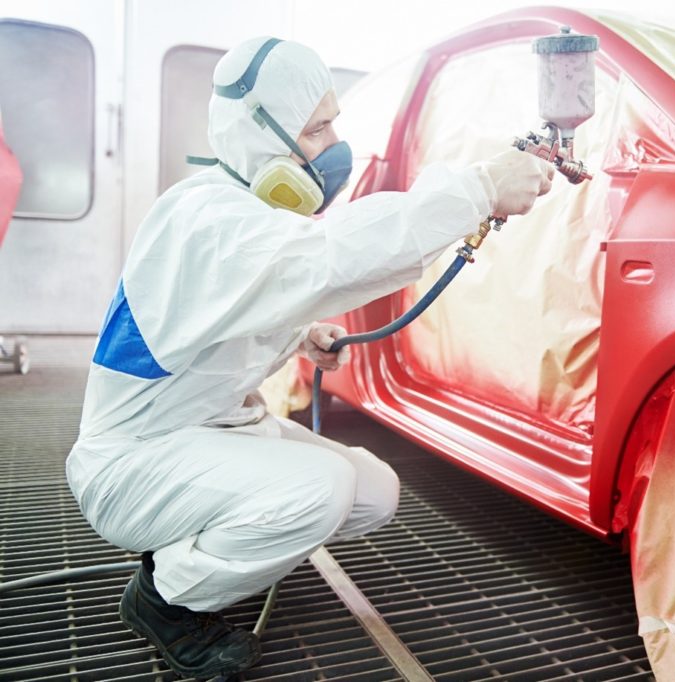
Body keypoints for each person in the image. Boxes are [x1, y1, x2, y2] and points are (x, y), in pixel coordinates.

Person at [65, 36, 553, 679]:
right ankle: (166, 599)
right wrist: (479, 189)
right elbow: (329, 259)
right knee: (318, 491)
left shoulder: (243, 215)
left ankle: (208, 550)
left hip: (201, 436)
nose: (333, 146)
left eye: (332, 123)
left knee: (372, 491)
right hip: (136, 461)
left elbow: (233, 311)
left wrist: (300, 337)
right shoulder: (205, 218)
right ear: (257, 133)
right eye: (316, 127)